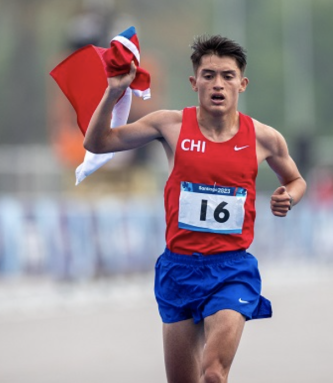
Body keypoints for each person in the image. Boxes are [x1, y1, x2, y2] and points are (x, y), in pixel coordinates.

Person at [84, 34, 306, 383]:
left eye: (228, 76)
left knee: (214, 372)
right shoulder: (169, 126)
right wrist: (114, 91)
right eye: (208, 75)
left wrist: (288, 196)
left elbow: (296, 179)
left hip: (231, 270)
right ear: (194, 82)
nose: (218, 84)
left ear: (242, 84)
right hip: (179, 269)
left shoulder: (264, 138)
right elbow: (96, 143)